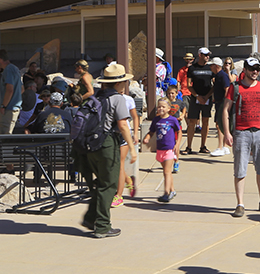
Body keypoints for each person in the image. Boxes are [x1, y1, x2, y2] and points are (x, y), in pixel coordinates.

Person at [76, 62, 137, 238]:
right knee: (108, 185)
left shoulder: (96, 97)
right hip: (107, 144)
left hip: (89, 145)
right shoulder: (117, 98)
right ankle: (102, 226)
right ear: (119, 83)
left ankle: (90, 218)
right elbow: (123, 125)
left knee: (101, 182)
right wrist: (132, 148)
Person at [221, 57, 260, 218]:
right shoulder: (235, 88)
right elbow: (225, 110)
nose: (255, 72)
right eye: (252, 69)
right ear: (244, 69)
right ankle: (240, 204)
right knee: (240, 169)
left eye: (257, 69)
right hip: (241, 133)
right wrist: (227, 133)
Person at [113, 82, 141, 205]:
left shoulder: (128, 99)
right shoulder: (108, 97)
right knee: (113, 164)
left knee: (119, 163)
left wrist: (135, 133)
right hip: (110, 132)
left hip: (123, 132)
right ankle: (128, 180)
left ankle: (119, 195)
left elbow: (135, 117)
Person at [184, 47, 216, 154]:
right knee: (192, 121)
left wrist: (207, 96)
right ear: (200, 55)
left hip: (207, 98)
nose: (207, 57)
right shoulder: (192, 68)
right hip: (195, 98)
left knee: (206, 121)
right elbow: (189, 85)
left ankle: (203, 146)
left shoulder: (210, 68)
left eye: (208, 55)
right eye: (205, 55)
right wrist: (197, 96)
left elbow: (214, 84)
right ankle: (189, 146)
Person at [150, 98, 181, 203]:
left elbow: (179, 131)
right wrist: (147, 137)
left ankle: (166, 193)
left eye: (163, 107)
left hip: (170, 149)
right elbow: (151, 131)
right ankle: (172, 190)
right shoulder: (156, 120)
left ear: (168, 108)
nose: (161, 109)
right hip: (160, 149)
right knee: (167, 172)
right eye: (159, 106)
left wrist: (177, 144)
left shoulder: (173, 120)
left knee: (167, 171)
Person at [0, 50, 23, 134]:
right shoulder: (15, 68)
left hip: (8, 109)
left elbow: (9, 89)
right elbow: (22, 88)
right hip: (15, 108)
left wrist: (3, 106)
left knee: (2, 136)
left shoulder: (8, 70)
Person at [210, 57, 233, 156]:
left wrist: (225, 104)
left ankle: (221, 147)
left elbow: (227, 89)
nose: (210, 67)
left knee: (219, 125)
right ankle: (224, 146)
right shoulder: (218, 76)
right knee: (220, 124)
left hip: (222, 103)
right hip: (219, 102)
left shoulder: (222, 76)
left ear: (216, 66)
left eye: (211, 65)